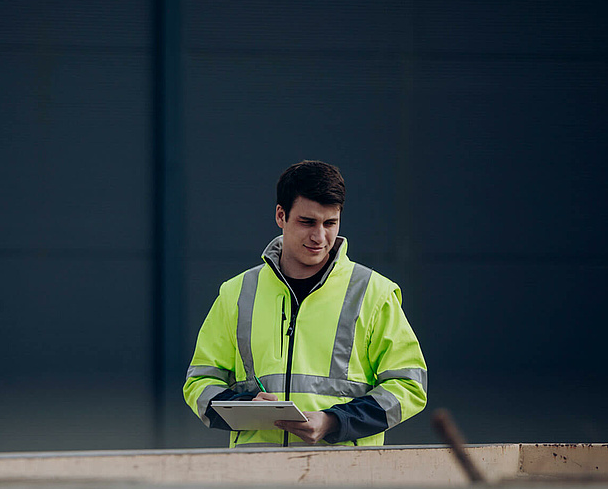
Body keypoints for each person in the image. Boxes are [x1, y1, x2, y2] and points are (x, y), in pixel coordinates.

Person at [182, 160, 427, 447]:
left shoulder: (374, 293)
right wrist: (247, 405)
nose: (319, 236)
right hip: (257, 477)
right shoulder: (236, 292)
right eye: (307, 222)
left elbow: (409, 386)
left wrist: (334, 421)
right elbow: (199, 382)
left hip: (344, 479)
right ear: (280, 215)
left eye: (330, 223)